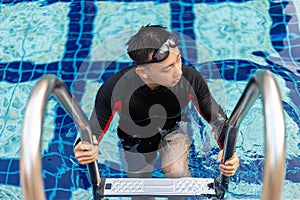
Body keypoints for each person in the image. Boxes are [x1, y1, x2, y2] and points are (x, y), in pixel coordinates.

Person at [74, 24, 239, 185]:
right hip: (134, 137)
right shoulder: (116, 89)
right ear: (143, 73)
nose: (179, 71)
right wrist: (83, 148)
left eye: (178, 59)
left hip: (174, 129)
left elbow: (216, 117)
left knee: (178, 176)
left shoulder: (190, 79)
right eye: (167, 69)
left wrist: (229, 151)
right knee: (140, 188)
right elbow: (93, 130)